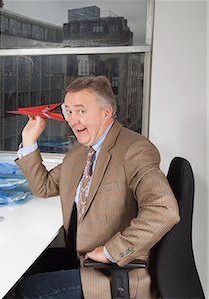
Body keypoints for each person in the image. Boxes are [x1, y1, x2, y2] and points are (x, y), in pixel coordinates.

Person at [14, 76, 180, 298]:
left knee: (29, 291)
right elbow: (44, 186)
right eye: (68, 111)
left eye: (81, 111)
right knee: (24, 270)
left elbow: (163, 209)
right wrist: (29, 141)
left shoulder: (134, 149)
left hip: (113, 271)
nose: (72, 120)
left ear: (106, 112)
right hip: (82, 255)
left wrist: (113, 251)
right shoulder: (80, 152)